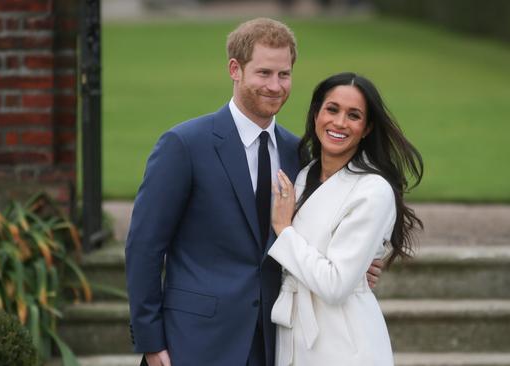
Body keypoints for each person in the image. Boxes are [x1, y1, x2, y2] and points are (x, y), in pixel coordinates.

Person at [125, 19, 383, 366]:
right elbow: (144, 247)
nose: (275, 86)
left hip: (275, 341)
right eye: (264, 73)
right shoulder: (184, 145)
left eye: (284, 75)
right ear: (235, 69)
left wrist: (355, 264)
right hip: (195, 341)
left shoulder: (300, 153)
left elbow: (313, 229)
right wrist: (151, 342)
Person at [269, 72, 423, 365]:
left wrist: (283, 230)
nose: (339, 123)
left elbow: (336, 284)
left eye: (354, 115)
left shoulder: (372, 190)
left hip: (345, 342)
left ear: (366, 128)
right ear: (316, 114)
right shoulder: (302, 176)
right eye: (332, 109)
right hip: (291, 336)